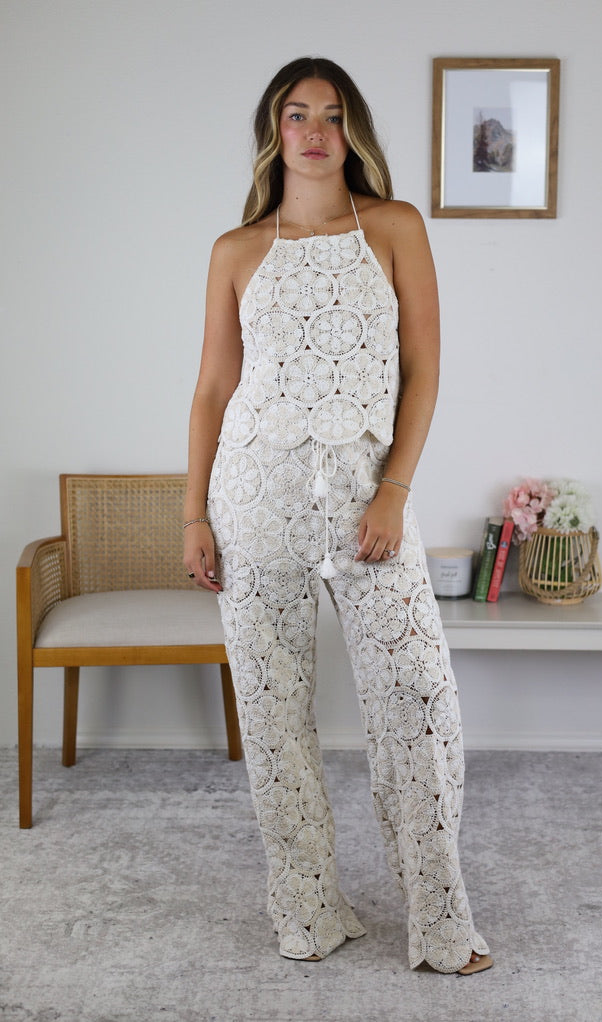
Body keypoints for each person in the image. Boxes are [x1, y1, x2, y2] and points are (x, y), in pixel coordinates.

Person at [183, 56, 492, 975]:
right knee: (272, 715)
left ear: (351, 129)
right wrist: (194, 515)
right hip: (254, 502)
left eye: (331, 114)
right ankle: (307, 909)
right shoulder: (236, 249)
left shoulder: (393, 226)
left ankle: (440, 920)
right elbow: (212, 389)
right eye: (296, 114)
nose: (315, 132)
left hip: (367, 505)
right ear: (273, 132)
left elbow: (424, 368)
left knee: (418, 702)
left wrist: (394, 489)